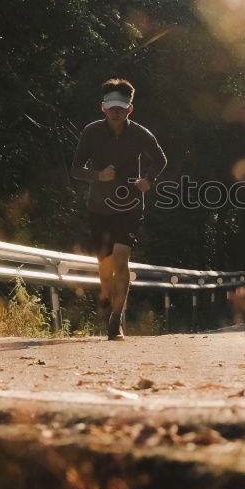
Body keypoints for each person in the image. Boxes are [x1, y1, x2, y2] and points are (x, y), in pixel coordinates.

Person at [71, 79, 167, 340]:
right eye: (112, 107)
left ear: (130, 109)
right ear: (103, 107)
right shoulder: (91, 132)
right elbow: (75, 169)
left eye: (121, 108)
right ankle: (107, 305)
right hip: (98, 207)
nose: (116, 112)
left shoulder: (139, 134)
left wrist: (148, 180)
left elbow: (160, 159)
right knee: (104, 265)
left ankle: (116, 319)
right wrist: (97, 176)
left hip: (130, 205)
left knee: (122, 258)